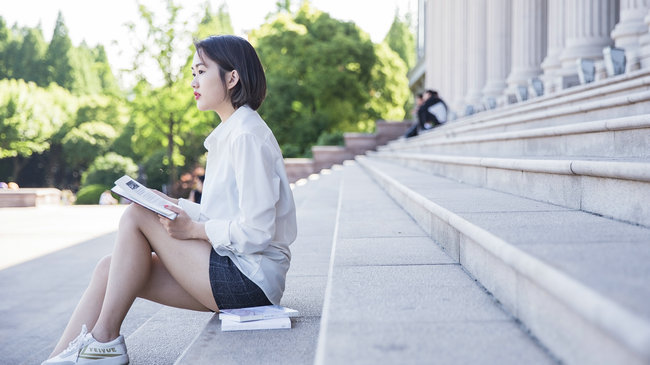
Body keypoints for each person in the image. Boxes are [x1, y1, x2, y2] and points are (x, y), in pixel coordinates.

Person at [42, 35, 297, 365]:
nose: (194, 81)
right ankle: (58, 358)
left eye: (202, 71)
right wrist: (172, 203)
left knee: (135, 216)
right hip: (234, 270)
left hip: (250, 281)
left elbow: (257, 231)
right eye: (193, 72)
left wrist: (194, 230)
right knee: (109, 269)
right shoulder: (232, 132)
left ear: (232, 78)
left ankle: (104, 341)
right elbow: (223, 214)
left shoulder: (247, 135)